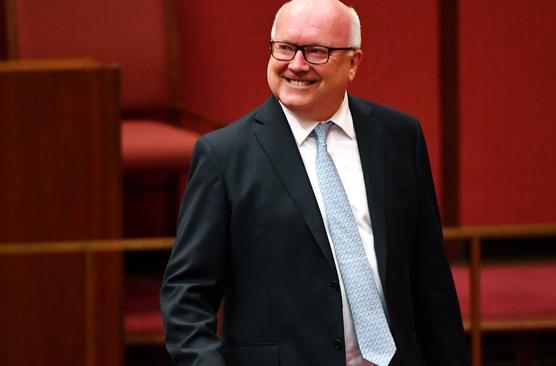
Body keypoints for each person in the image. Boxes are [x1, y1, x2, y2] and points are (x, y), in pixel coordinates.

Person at [160, 0, 468, 365]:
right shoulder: (224, 156)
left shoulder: (399, 138)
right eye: (285, 48)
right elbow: (187, 295)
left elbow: (431, 281)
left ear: (353, 62)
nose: (296, 64)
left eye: (317, 51)